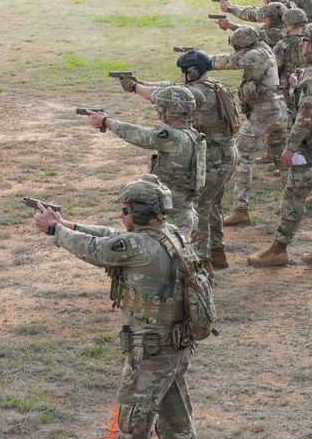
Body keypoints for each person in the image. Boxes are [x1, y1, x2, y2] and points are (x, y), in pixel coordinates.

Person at [32, 175, 201, 439]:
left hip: (149, 356)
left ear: (140, 212)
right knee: (178, 424)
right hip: (175, 349)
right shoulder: (172, 234)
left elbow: (98, 248)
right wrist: (68, 223)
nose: (122, 215)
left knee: (133, 433)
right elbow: (112, 236)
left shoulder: (137, 246)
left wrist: (54, 230)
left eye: (126, 210)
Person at [119, 51, 239, 271]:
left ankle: (202, 261)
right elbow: (170, 86)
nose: (182, 75)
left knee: (200, 207)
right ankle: (217, 252)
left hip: (215, 156)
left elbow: (160, 95)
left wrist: (134, 87)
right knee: (212, 204)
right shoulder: (210, 85)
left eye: (184, 71)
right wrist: (140, 81)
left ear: (191, 71)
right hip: (223, 154)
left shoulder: (196, 93)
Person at [247, 22, 312, 268]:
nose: (302, 44)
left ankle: (279, 249)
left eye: (305, 40)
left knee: (294, 193)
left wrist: (291, 146)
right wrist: (297, 85)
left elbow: (307, 113)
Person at [85, 87, 204, 240]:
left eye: (161, 109)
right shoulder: (193, 134)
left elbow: (142, 136)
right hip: (183, 211)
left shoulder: (173, 137)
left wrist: (107, 122)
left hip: (174, 216)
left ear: (171, 112)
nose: (158, 114)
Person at [210, 27, 287, 227]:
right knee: (282, 159)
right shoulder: (265, 49)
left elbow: (227, 62)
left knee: (242, 157)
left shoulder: (253, 55)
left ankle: (241, 210)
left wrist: (202, 58)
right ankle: (291, 203)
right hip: (279, 112)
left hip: (264, 114)